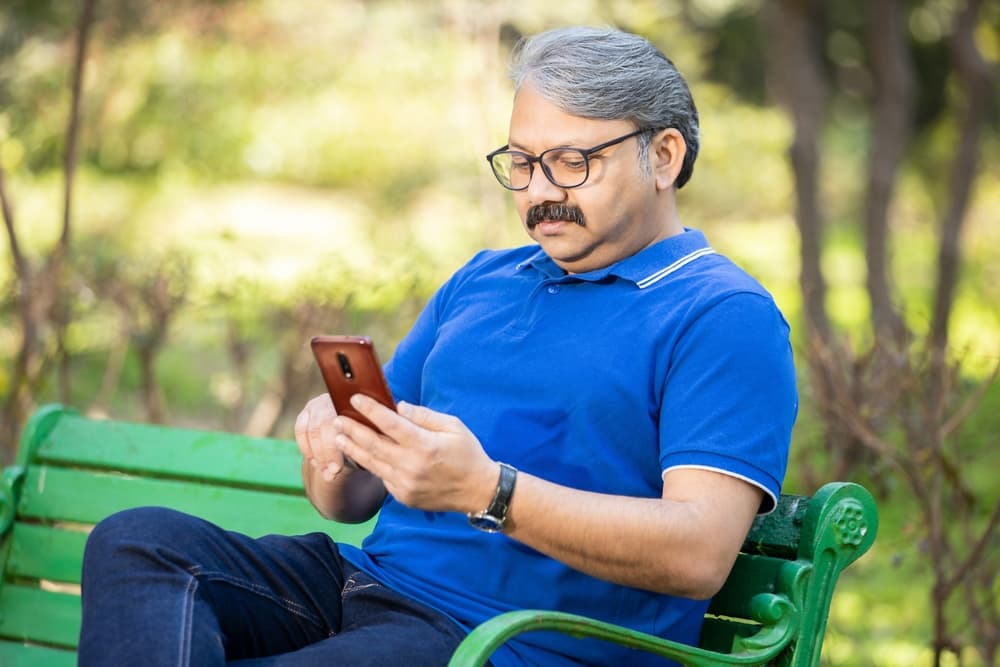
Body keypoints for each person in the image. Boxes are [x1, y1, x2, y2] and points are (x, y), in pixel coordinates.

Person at [79, 26, 797, 667]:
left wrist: (490, 491)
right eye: (521, 163)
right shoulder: (483, 279)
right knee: (139, 544)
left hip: (502, 637)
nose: (540, 191)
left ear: (663, 155)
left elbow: (699, 549)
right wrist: (334, 450)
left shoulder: (721, 314)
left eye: (571, 162)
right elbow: (351, 498)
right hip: (369, 584)